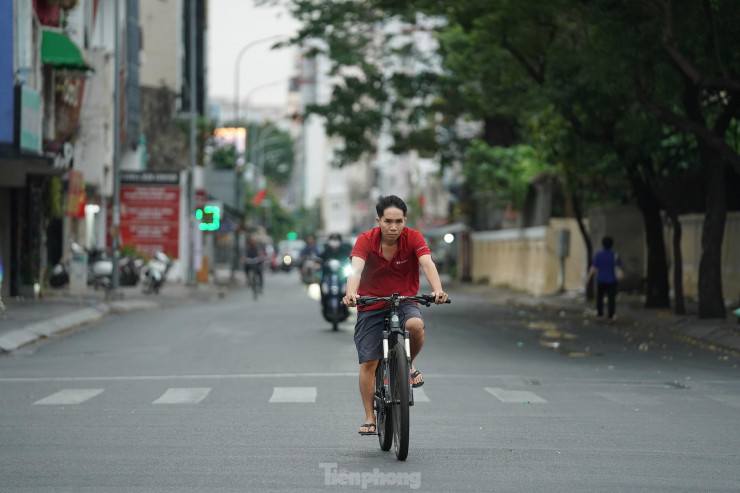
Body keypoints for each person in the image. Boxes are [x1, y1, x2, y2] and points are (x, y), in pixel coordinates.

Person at [343, 195, 448, 435]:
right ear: (378, 220)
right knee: (369, 362)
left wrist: (437, 290)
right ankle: (370, 417)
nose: (393, 227)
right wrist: (351, 293)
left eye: (398, 221)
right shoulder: (366, 240)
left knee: (416, 325)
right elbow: (355, 269)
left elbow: (427, 263)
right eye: (388, 221)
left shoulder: (413, 237)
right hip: (371, 302)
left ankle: (409, 364)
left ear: (405, 221)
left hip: (404, 300)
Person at [585, 235, 622, 320]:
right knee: (611, 299)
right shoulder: (614, 255)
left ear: (603, 244)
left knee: (600, 298)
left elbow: (593, 268)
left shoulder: (598, 255)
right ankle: (611, 315)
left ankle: (600, 314)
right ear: (612, 244)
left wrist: (588, 279)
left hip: (601, 279)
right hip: (612, 280)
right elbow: (619, 265)